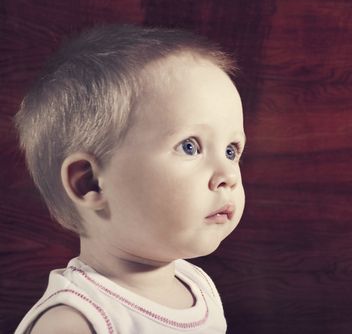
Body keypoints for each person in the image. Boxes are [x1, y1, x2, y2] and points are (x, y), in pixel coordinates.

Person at [14, 24, 246, 334]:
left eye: (231, 150)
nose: (228, 175)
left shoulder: (196, 285)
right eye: (190, 146)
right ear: (91, 183)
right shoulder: (78, 322)